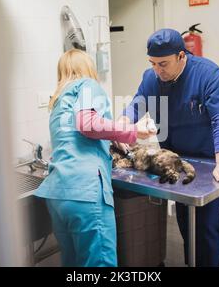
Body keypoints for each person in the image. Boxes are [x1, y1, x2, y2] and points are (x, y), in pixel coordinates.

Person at [115, 28, 219, 267]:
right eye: (152, 63)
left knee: (207, 229)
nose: (157, 70)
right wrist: (120, 126)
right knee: (186, 223)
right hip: (174, 160)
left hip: (207, 162)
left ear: (182, 56)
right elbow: (136, 106)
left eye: (163, 64)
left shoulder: (207, 74)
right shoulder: (151, 78)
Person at [35, 49, 155, 267]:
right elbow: (88, 124)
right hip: (85, 192)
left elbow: (76, 135)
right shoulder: (87, 85)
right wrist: (133, 130)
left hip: (58, 195)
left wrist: (112, 137)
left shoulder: (59, 101)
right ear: (88, 68)